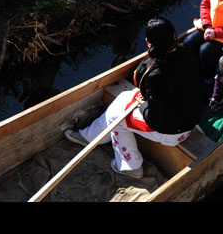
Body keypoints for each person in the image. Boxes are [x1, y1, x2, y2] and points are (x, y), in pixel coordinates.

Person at [64, 17, 200, 179]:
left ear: (148, 42)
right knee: (124, 98)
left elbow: (154, 120)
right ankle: (90, 136)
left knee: (116, 117)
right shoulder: (185, 51)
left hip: (173, 131)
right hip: (188, 118)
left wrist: (143, 105)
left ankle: (130, 166)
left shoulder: (156, 76)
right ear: (174, 36)